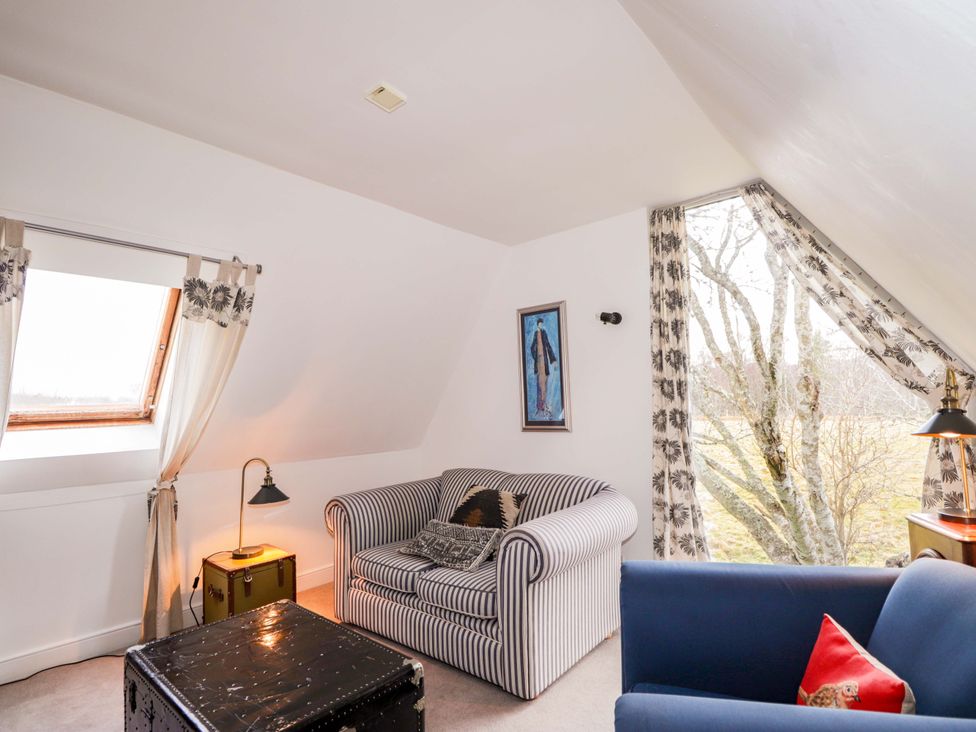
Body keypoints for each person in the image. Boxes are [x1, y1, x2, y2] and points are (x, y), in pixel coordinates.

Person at [530, 317, 558, 417]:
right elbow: (532, 347)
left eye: (542, 324)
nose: (541, 325)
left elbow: (548, 346)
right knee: (539, 384)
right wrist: (536, 357)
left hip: (544, 363)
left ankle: (543, 405)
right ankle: (540, 406)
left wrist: (553, 360)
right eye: (540, 324)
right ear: (537, 324)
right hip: (538, 363)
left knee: (544, 384)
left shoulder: (544, 333)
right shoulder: (535, 334)